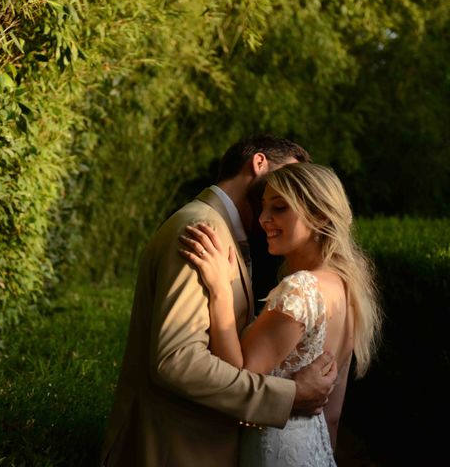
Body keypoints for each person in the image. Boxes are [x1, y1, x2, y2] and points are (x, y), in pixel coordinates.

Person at [100, 135, 338, 467]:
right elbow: (178, 361)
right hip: (178, 450)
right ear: (259, 164)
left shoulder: (224, 230)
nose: (295, 189)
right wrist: (287, 397)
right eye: (289, 178)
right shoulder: (201, 229)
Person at [179, 162, 382, 465]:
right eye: (262, 207)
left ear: (320, 215)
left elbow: (240, 377)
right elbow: (333, 414)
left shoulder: (301, 288)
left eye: (280, 208)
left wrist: (219, 290)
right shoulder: (346, 287)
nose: (263, 219)